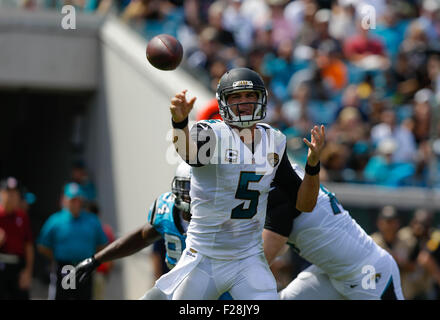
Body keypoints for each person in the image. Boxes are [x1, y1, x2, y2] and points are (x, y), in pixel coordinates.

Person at [155, 67, 325, 300]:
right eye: (236, 96)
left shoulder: (273, 140)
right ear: (224, 102)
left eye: (250, 96)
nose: (243, 102)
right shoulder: (212, 134)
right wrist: (180, 123)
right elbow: (189, 154)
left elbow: (305, 204)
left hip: (248, 259)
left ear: (261, 99)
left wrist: (313, 167)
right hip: (204, 257)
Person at [262, 164, 404, 300]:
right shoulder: (287, 174)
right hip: (331, 273)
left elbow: (266, 253)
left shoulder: (278, 189)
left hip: (368, 272)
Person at [37, 182, 108, 300]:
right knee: (63, 296)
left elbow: (102, 244)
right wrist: (56, 257)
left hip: (85, 266)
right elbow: (42, 245)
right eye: (72, 200)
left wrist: (93, 260)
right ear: (64, 200)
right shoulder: (56, 220)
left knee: (85, 296)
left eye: (78, 200)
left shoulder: (92, 220)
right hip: (65, 268)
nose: (75, 204)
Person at [0, 177, 34, 300]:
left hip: (17, 267)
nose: (11, 197)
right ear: (1, 194)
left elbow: (28, 245)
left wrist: (28, 271)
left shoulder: (22, 217)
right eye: (8, 192)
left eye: (15, 193)